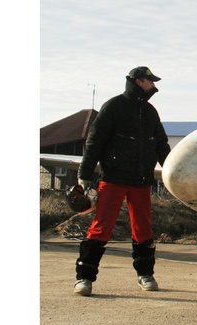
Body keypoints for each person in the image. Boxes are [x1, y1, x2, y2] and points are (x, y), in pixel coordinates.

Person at [73, 66, 171, 296]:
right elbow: (94, 142)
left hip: (141, 181)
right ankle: (84, 278)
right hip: (113, 179)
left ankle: (145, 275)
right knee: (101, 227)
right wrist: (84, 174)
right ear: (139, 82)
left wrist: (174, 173)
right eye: (150, 81)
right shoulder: (113, 107)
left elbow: (161, 145)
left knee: (143, 230)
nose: (153, 85)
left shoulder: (150, 112)